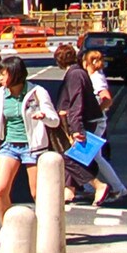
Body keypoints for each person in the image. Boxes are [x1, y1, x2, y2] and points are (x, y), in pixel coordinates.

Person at [0, 56, 60, 224]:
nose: (0, 78)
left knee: (37, 194)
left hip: (33, 148)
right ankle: (7, 230)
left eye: (4, 74)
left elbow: (54, 121)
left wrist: (44, 116)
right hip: (8, 146)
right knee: (0, 190)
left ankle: (46, 229)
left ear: (16, 74)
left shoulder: (37, 93)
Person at [81, 49, 127, 206]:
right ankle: (90, 186)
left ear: (89, 63)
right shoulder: (95, 77)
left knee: (91, 155)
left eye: (85, 62)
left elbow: (107, 99)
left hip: (96, 121)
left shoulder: (96, 79)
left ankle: (117, 187)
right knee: (92, 155)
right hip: (96, 120)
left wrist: (95, 111)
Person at [53, 42, 95, 201]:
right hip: (74, 121)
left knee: (70, 156)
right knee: (77, 155)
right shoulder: (77, 72)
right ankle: (69, 190)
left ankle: (100, 185)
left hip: (75, 123)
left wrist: (76, 129)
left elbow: (77, 101)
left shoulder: (75, 75)